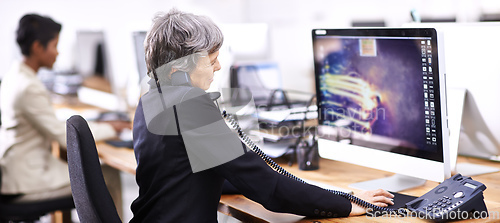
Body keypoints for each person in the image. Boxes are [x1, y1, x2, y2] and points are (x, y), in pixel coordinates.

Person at [131, 9, 394, 222]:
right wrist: (347, 204)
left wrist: (330, 194)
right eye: (211, 61)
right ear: (179, 68)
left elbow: (197, 173)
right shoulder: (190, 106)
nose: (219, 66)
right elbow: (269, 189)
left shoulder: (150, 100)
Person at [0, 13, 127, 218]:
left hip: (15, 171)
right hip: (25, 182)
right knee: (108, 175)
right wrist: (113, 127)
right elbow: (64, 138)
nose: (57, 53)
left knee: (87, 170)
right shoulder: (28, 87)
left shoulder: (14, 75)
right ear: (37, 48)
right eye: (54, 46)